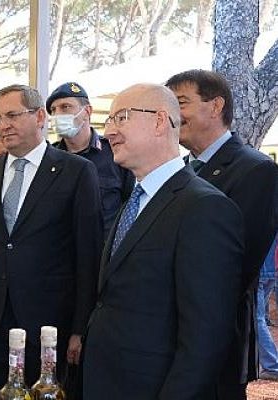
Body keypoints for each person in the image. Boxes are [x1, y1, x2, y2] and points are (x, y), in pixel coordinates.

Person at [82, 83, 243, 399]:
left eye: (121, 118)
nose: (109, 131)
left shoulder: (204, 208)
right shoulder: (135, 199)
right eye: (108, 121)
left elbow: (205, 338)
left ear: (159, 121)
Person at [0, 84, 103, 399]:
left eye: (12, 115)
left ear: (39, 117)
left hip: (49, 323)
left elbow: (87, 256)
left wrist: (80, 327)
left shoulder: (77, 172)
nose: (3, 125)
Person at [165, 69, 278, 398]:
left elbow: (240, 265)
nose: (173, 114)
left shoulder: (255, 169)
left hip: (216, 338)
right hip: (173, 334)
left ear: (215, 106)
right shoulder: (182, 169)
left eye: (181, 102)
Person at [47, 82, 134, 238]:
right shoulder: (49, 159)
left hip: (104, 254)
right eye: (53, 110)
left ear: (87, 111)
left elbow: (130, 204)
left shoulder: (114, 152)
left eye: (65, 107)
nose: (58, 115)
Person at [257, 236, 278, 380]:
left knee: (256, 319)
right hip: (272, 269)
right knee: (260, 318)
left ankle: (272, 365)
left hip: (260, 270)